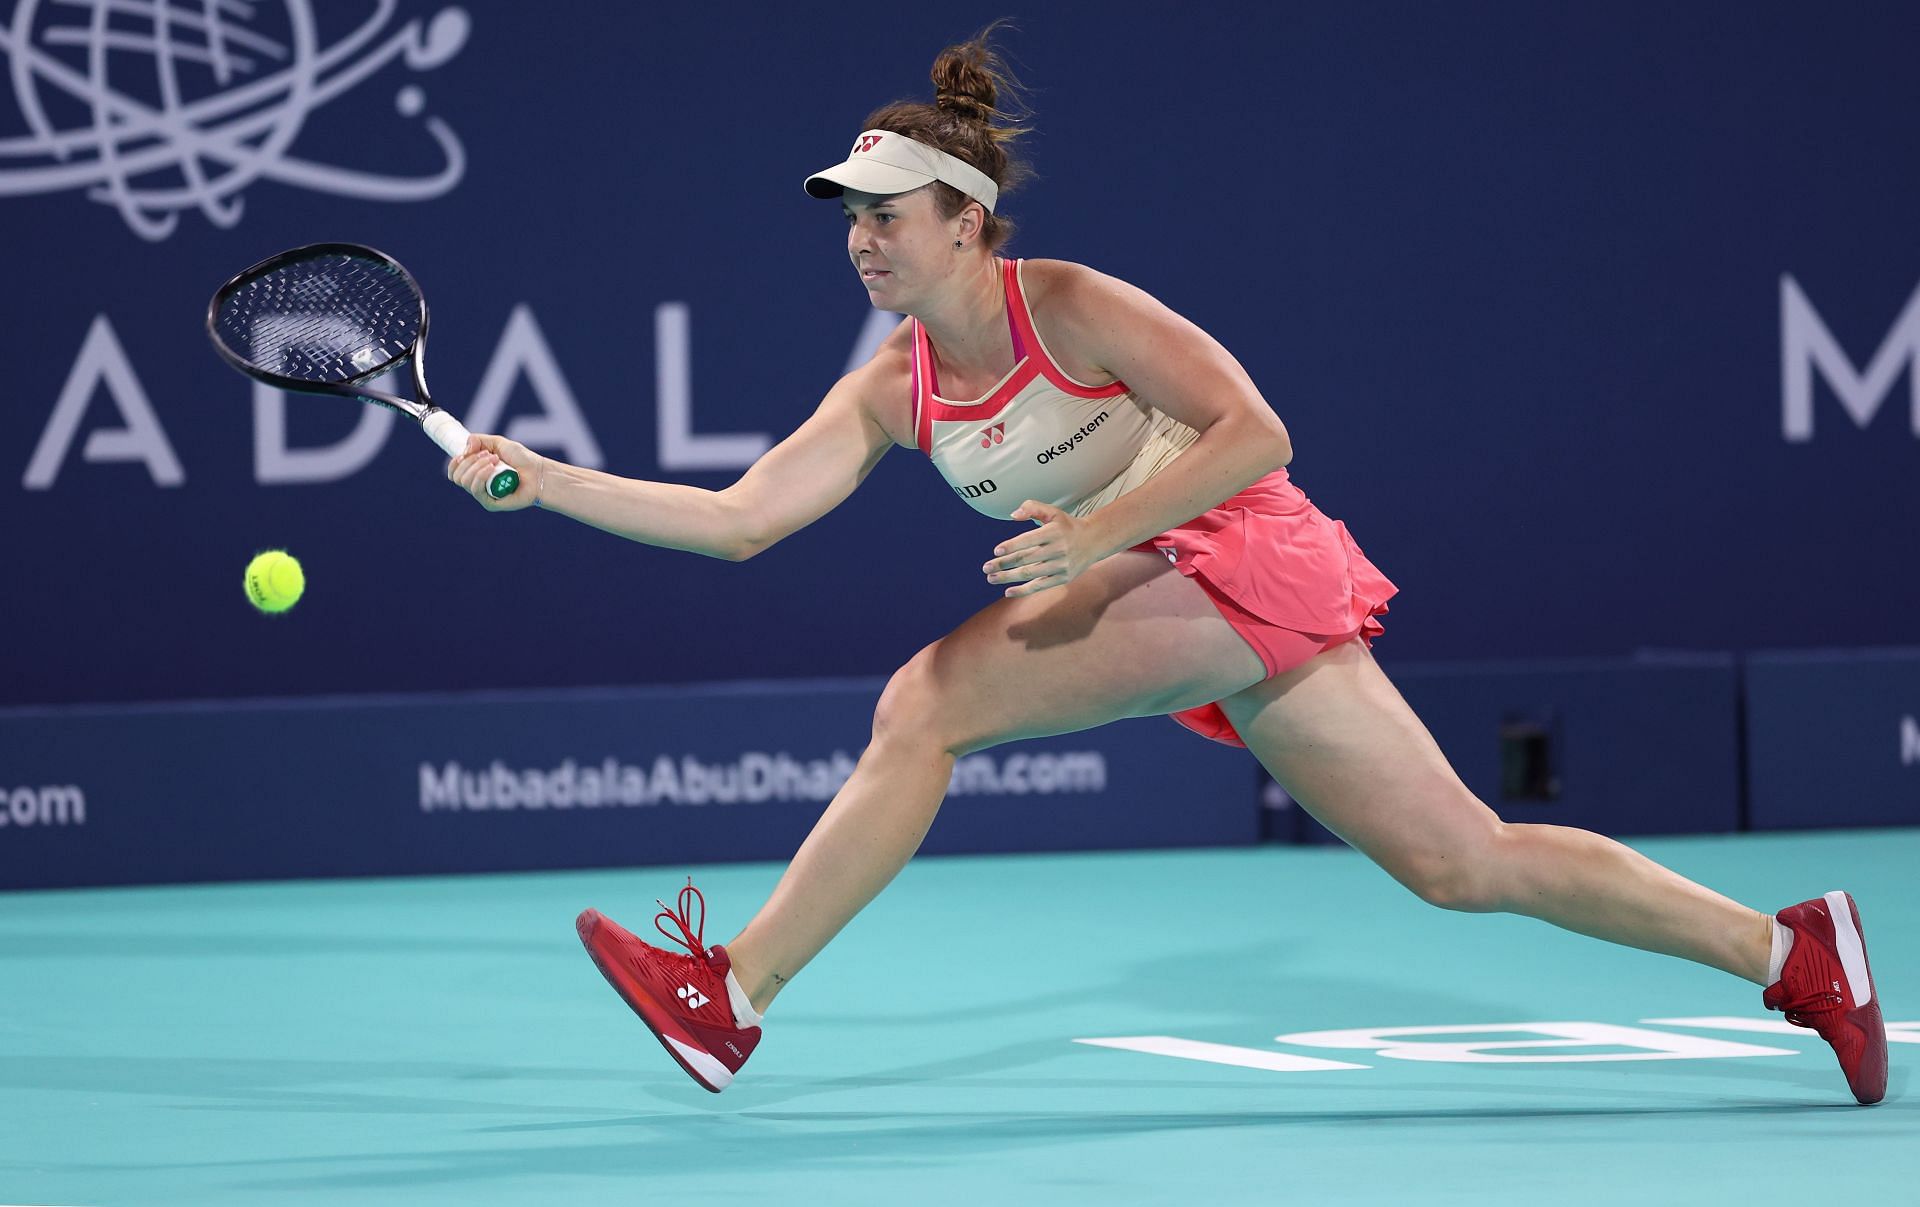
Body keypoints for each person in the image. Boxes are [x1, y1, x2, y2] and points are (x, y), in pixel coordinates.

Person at [446, 29, 1887, 1104]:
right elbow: (743, 519)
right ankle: (1794, 953)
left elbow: (1256, 430)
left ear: (966, 222)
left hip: (1239, 553)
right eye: (851, 217)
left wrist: (1094, 534)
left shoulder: (1070, 307)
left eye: (890, 214)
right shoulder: (894, 389)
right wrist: (545, 481)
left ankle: (733, 993)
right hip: (1175, 590)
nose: (865, 239)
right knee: (1462, 863)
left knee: (925, 706)